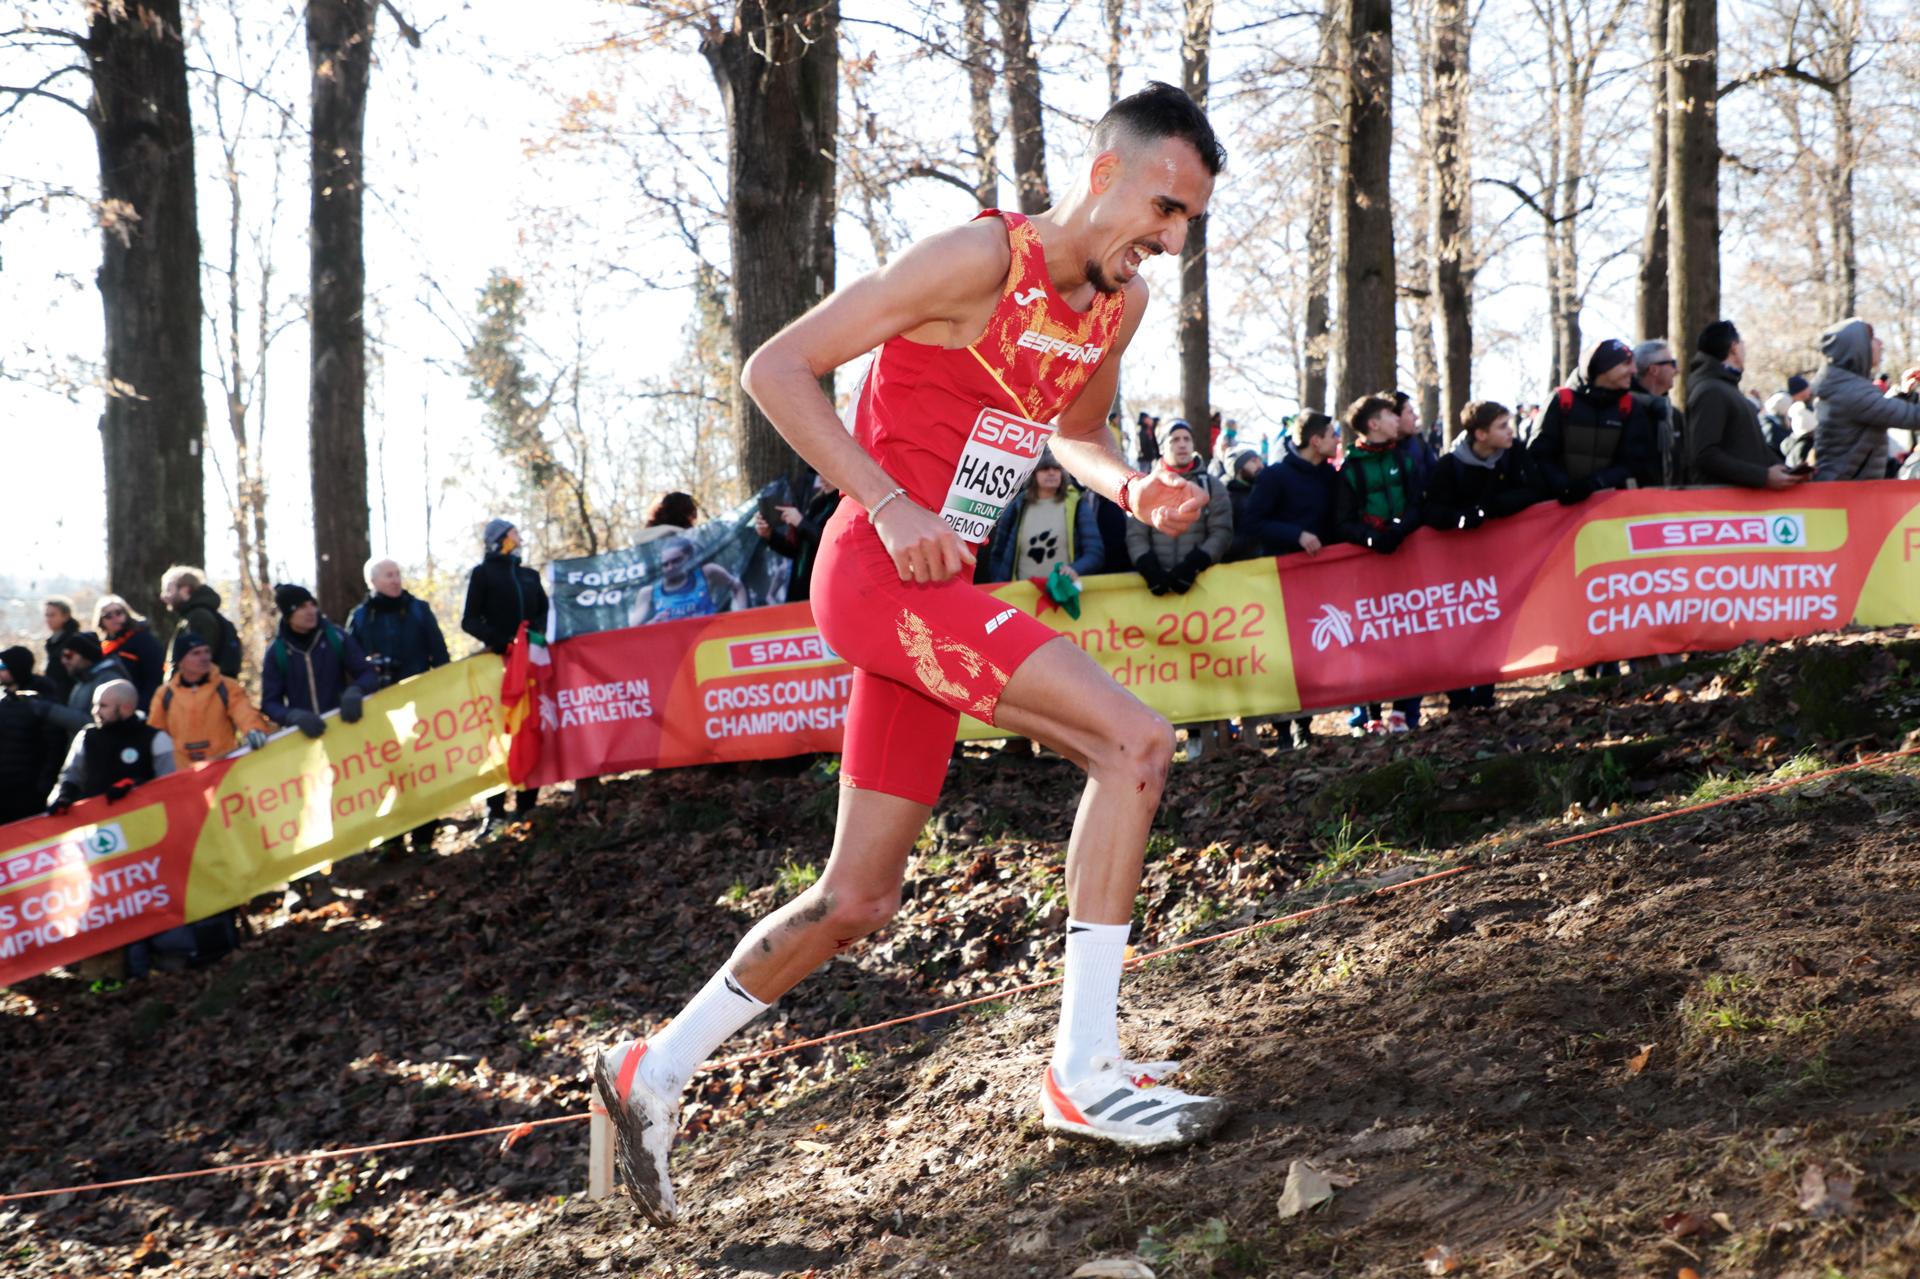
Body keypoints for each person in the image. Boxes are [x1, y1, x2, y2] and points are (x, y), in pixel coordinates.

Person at [592, 81, 1227, 1226]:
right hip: (882, 576)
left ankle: (652, 1070)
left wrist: (1135, 484)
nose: (1171, 241)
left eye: (1188, 223)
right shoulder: (980, 258)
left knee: (858, 898)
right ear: (1104, 175)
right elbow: (776, 368)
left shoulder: (1110, 310)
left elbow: (1074, 434)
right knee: (1133, 743)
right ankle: (1084, 1074)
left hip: (935, 596)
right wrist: (886, 502)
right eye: (1164, 207)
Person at [1424, 401, 1546, 710]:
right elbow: (1432, 510)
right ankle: (1458, 698)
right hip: (1457, 567)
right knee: (1460, 631)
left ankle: (1484, 695)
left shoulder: (1516, 455)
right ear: (1480, 434)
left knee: (1495, 625)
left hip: (1502, 562)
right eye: (1502, 426)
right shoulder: (1449, 466)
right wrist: (1459, 518)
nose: (1510, 432)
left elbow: (1534, 490)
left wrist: (1491, 509)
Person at [1245, 411, 1340, 749]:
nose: (1336, 440)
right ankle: (1284, 729)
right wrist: (1295, 534)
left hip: (1318, 580)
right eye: (1331, 434)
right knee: (1282, 655)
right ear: (1315, 440)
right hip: (1279, 580)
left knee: (1312, 653)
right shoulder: (1275, 476)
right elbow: (1253, 522)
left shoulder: (1330, 476)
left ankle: (1305, 724)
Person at [1334, 394, 1425, 734]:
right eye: (1390, 415)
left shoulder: (1405, 459)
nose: (1396, 420)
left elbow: (1419, 502)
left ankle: (1405, 712)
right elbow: (1342, 521)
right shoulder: (1350, 470)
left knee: (1409, 634)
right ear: (1374, 424)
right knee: (1371, 636)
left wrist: (1402, 528)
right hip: (1367, 569)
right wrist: (1371, 538)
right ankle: (1370, 713)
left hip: (1406, 562)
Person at [462, 522, 549, 834]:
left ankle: (528, 807)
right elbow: (469, 619)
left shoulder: (529, 575)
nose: (519, 538)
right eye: (513, 534)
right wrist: (501, 641)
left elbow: (544, 611)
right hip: (495, 667)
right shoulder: (482, 574)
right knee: (497, 736)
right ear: (498, 541)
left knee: (530, 727)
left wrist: (532, 635)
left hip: (530, 666)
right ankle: (495, 812)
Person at [1532, 337, 1659, 498]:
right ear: (1603, 368)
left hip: (1608, 508)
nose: (1634, 370)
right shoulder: (1561, 400)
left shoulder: (1630, 407)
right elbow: (1539, 454)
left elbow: (1635, 461)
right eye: (1626, 364)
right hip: (1557, 507)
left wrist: (1596, 484)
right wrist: (1562, 486)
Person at [1684, 321, 1803, 491]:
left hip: (1740, 503)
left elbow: (1749, 447)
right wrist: (1763, 476)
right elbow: (1705, 454)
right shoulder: (1710, 391)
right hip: (1724, 505)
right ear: (1733, 348)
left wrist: (1788, 472)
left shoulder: (1726, 388)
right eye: (1742, 343)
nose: (1744, 348)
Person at [1126, 417, 1232, 596]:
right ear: (1161, 447)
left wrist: (1195, 564)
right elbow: (1136, 535)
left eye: (1187, 439)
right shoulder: (1146, 486)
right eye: (1175, 439)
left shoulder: (1213, 486)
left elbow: (1221, 531)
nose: (1182, 444)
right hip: (1152, 589)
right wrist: (1148, 567)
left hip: (1202, 588)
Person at [260, 583, 377, 738]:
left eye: (313, 605)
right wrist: (292, 716)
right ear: (288, 615)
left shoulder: (336, 637)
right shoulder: (276, 652)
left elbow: (367, 672)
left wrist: (356, 690)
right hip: (304, 738)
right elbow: (270, 703)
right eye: (301, 607)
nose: (311, 611)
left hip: (346, 731)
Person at [1810, 318, 1920, 482]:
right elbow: (1913, 417)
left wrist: (1903, 393)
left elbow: (1876, 410)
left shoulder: (1845, 385)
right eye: (1873, 338)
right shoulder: (1850, 391)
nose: (1880, 343)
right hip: (1845, 495)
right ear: (1858, 347)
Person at [47, 680, 175, 813]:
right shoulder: (87, 736)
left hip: (139, 822)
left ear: (125, 708)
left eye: (103, 706)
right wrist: (63, 796)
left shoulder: (157, 739)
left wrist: (136, 786)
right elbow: (71, 775)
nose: (94, 711)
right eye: (95, 705)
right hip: (97, 824)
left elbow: (169, 786)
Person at [982, 449, 1106, 583]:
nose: (1051, 472)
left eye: (1057, 468)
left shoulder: (1078, 504)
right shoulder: (1016, 506)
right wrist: (999, 582)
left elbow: (1095, 553)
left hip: (1063, 593)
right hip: (1021, 595)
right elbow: (997, 555)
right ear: (1033, 473)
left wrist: (1074, 569)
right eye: (1045, 468)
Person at [148, 631, 270, 767]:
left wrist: (254, 729)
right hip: (183, 773)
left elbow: (243, 711)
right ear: (181, 661)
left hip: (225, 767)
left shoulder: (227, 686)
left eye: (206, 652)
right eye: (196, 653)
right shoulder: (164, 694)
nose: (204, 657)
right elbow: (154, 732)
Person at [0, 647, 85, 824]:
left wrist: (43, 788)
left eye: (2, 666)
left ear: (17, 668)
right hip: (5, 791)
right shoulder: (6, 701)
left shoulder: (41, 702)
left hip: (29, 793)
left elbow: (54, 748)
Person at [346, 558, 451, 685]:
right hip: (378, 695)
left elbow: (440, 653)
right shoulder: (359, 617)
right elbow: (350, 659)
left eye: (398, 574)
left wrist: (446, 683)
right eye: (389, 576)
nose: (396, 581)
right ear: (373, 581)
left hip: (420, 690)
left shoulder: (419, 609)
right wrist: (367, 664)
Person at [633, 534, 748, 624]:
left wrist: (739, 618)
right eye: (665, 564)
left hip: (708, 642)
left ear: (689, 557)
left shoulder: (707, 573)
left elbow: (737, 586)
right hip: (676, 648)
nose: (670, 567)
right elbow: (633, 629)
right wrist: (653, 623)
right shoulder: (649, 592)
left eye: (676, 561)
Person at [158, 566, 242, 677]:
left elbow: (198, 666)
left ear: (185, 590)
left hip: (201, 692)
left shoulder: (199, 618)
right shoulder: (193, 616)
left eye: (169, 590)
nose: (163, 596)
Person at [1630, 339, 1686, 487]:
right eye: (1672, 364)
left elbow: (1685, 464)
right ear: (1653, 370)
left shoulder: (1674, 415)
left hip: (1673, 505)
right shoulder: (1626, 410)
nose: (1677, 371)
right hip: (1636, 505)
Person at [94, 595, 165, 708]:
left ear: (126, 614)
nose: (114, 618)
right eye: (108, 616)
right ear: (101, 621)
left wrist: (143, 706)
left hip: (140, 704)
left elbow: (155, 676)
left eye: (118, 612)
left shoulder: (142, 638)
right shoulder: (101, 646)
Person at [60, 632, 132, 720]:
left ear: (86, 655)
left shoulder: (109, 680)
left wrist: (48, 710)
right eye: (62, 655)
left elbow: (97, 723)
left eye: (69, 655)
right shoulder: (82, 679)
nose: (64, 660)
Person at [1220, 448, 1265, 562]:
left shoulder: (1261, 493)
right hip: (1237, 566)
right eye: (1253, 461)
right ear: (1239, 468)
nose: (1260, 465)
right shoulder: (1226, 497)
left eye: (1260, 460)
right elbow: (1222, 538)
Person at [43, 597, 82, 705]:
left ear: (65, 616)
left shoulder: (73, 640)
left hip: (68, 698)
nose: (48, 619)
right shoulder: (52, 641)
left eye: (52, 615)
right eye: (47, 615)